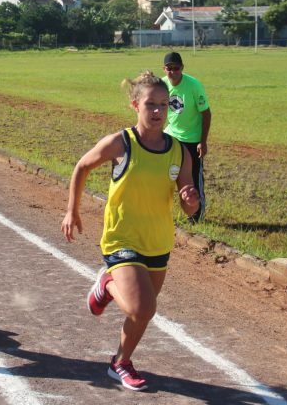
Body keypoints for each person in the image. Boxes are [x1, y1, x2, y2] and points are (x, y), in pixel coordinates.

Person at [61, 71, 199, 392]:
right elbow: (82, 166)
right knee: (142, 307)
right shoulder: (121, 143)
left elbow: (189, 204)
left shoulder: (179, 151)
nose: (157, 111)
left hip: (158, 241)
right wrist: (72, 209)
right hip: (122, 239)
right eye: (150, 104)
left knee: (142, 314)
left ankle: (120, 362)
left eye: (164, 105)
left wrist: (190, 199)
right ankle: (107, 284)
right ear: (135, 105)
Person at [161, 52, 211, 222]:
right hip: (172, 137)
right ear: (164, 69)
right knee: (166, 176)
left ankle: (196, 217)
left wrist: (202, 142)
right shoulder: (162, 85)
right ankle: (162, 210)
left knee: (194, 177)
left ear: (182, 68)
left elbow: (206, 114)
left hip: (192, 139)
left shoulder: (194, 85)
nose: (173, 71)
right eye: (169, 68)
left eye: (176, 68)